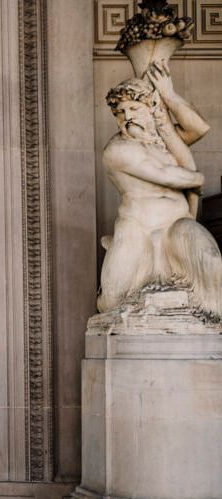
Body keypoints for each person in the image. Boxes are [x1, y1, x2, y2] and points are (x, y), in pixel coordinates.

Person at [98, 65, 222, 317]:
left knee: (212, 262)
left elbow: (199, 128)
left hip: (176, 224)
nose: (126, 117)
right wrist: (193, 176)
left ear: (150, 109)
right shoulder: (117, 150)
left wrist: (169, 96)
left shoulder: (165, 140)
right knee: (110, 301)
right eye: (120, 112)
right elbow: (168, 176)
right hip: (138, 228)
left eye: (134, 109)